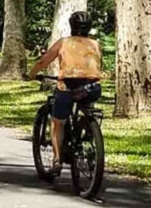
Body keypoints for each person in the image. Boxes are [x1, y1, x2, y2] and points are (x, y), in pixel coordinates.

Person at [27, 11, 103, 172]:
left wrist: (32, 73)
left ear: (71, 26)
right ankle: (89, 133)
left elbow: (43, 61)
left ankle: (57, 160)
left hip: (68, 86)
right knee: (87, 109)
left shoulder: (64, 43)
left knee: (57, 122)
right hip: (92, 87)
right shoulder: (95, 44)